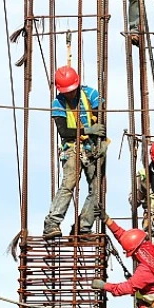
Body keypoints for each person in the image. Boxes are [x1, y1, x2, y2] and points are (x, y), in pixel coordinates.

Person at [43, 66, 106, 239]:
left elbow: (101, 118)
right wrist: (88, 130)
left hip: (91, 148)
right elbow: (63, 131)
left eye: (71, 91)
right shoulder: (58, 103)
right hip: (71, 148)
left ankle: (83, 227)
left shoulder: (91, 95)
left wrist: (103, 140)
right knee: (68, 184)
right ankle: (52, 223)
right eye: (66, 92)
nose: (69, 94)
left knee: (98, 188)